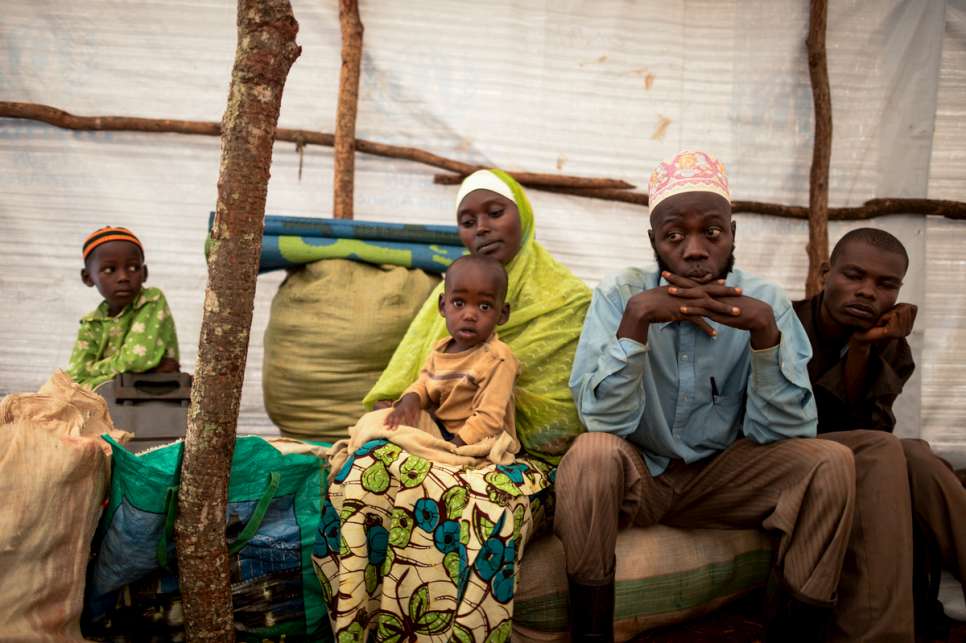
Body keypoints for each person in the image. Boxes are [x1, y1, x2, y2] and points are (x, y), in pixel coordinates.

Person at [557, 150, 858, 643]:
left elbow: (784, 433)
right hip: (644, 473)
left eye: (711, 234)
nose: (694, 250)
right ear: (654, 241)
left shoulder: (766, 303)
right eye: (675, 236)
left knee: (831, 462)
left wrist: (763, 335)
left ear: (733, 235)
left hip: (724, 477)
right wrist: (636, 324)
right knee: (590, 455)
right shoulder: (620, 295)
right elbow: (602, 422)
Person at [314, 169, 591, 641]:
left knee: (480, 505)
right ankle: (366, 628)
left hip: (522, 458)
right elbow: (411, 381)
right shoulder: (444, 305)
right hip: (439, 441)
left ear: (522, 215)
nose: (480, 227)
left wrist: (458, 443)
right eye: (467, 219)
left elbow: (563, 418)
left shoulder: (568, 303)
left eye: (494, 213)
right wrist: (405, 411)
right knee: (362, 474)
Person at [795, 227, 966, 639]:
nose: (868, 292)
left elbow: (871, 434)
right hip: (789, 456)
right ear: (825, 273)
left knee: (918, 457)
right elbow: (809, 427)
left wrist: (862, 348)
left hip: (860, 455)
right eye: (854, 276)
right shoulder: (786, 326)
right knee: (898, 451)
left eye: (885, 284)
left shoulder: (891, 344)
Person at [384, 254, 519, 448]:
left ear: (502, 314)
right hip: (443, 431)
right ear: (442, 305)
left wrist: (453, 447)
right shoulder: (441, 348)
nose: (470, 315)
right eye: (459, 303)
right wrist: (410, 400)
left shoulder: (498, 358)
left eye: (484, 306)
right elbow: (424, 384)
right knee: (378, 421)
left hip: (480, 443)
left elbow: (489, 419)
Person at [66, 226, 180, 390]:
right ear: (88, 277)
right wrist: (143, 372)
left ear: (145, 273)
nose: (123, 277)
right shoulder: (91, 323)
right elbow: (75, 383)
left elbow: (136, 359)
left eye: (133, 268)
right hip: (110, 409)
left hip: (157, 402)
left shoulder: (151, 300)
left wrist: (93, 369)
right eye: (109, 270)